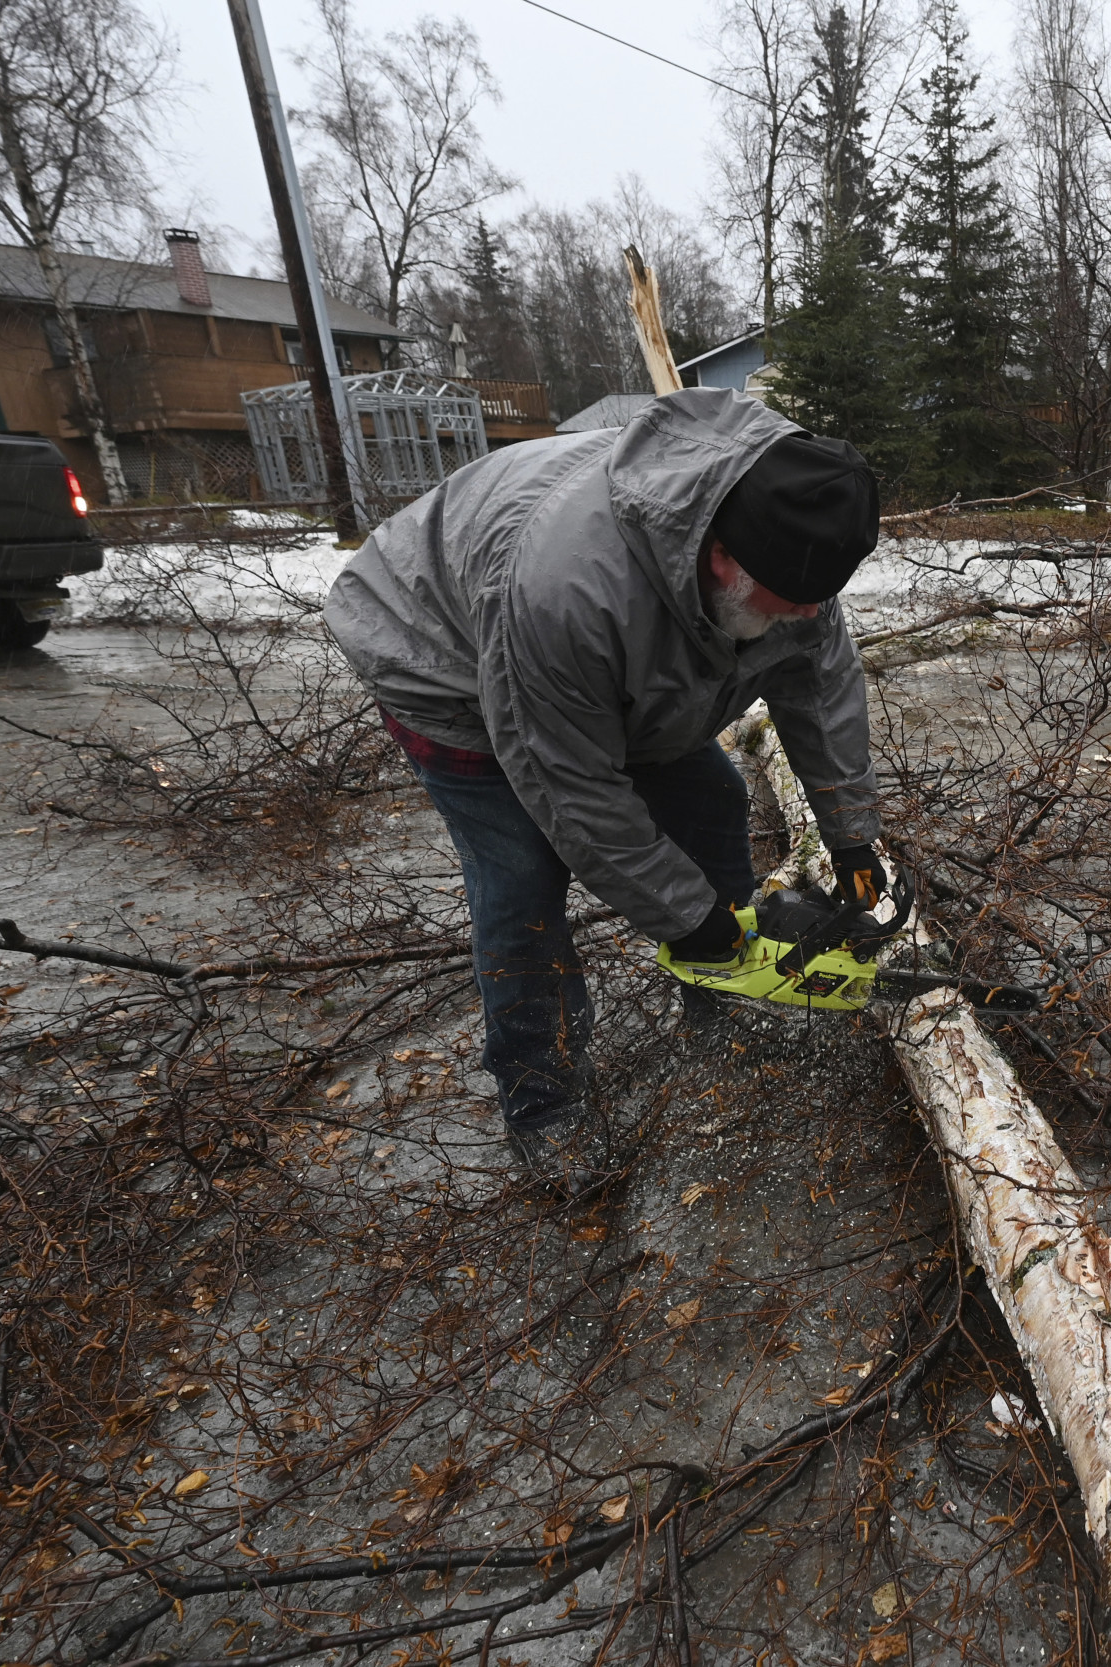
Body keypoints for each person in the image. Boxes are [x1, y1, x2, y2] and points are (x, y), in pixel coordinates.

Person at [327, 389, 888, 1202]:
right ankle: (541, 1098)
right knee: (522, 876)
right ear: (726, 559)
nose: (810, 612)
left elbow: (821, 685)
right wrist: (681, 914)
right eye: (793, 597)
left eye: (817, 596)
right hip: (440, 660)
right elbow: (575, 788)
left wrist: (852, 836)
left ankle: (722, 983)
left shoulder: (784, 535)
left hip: (619, 657)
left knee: (710, 801)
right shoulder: (565, 591)